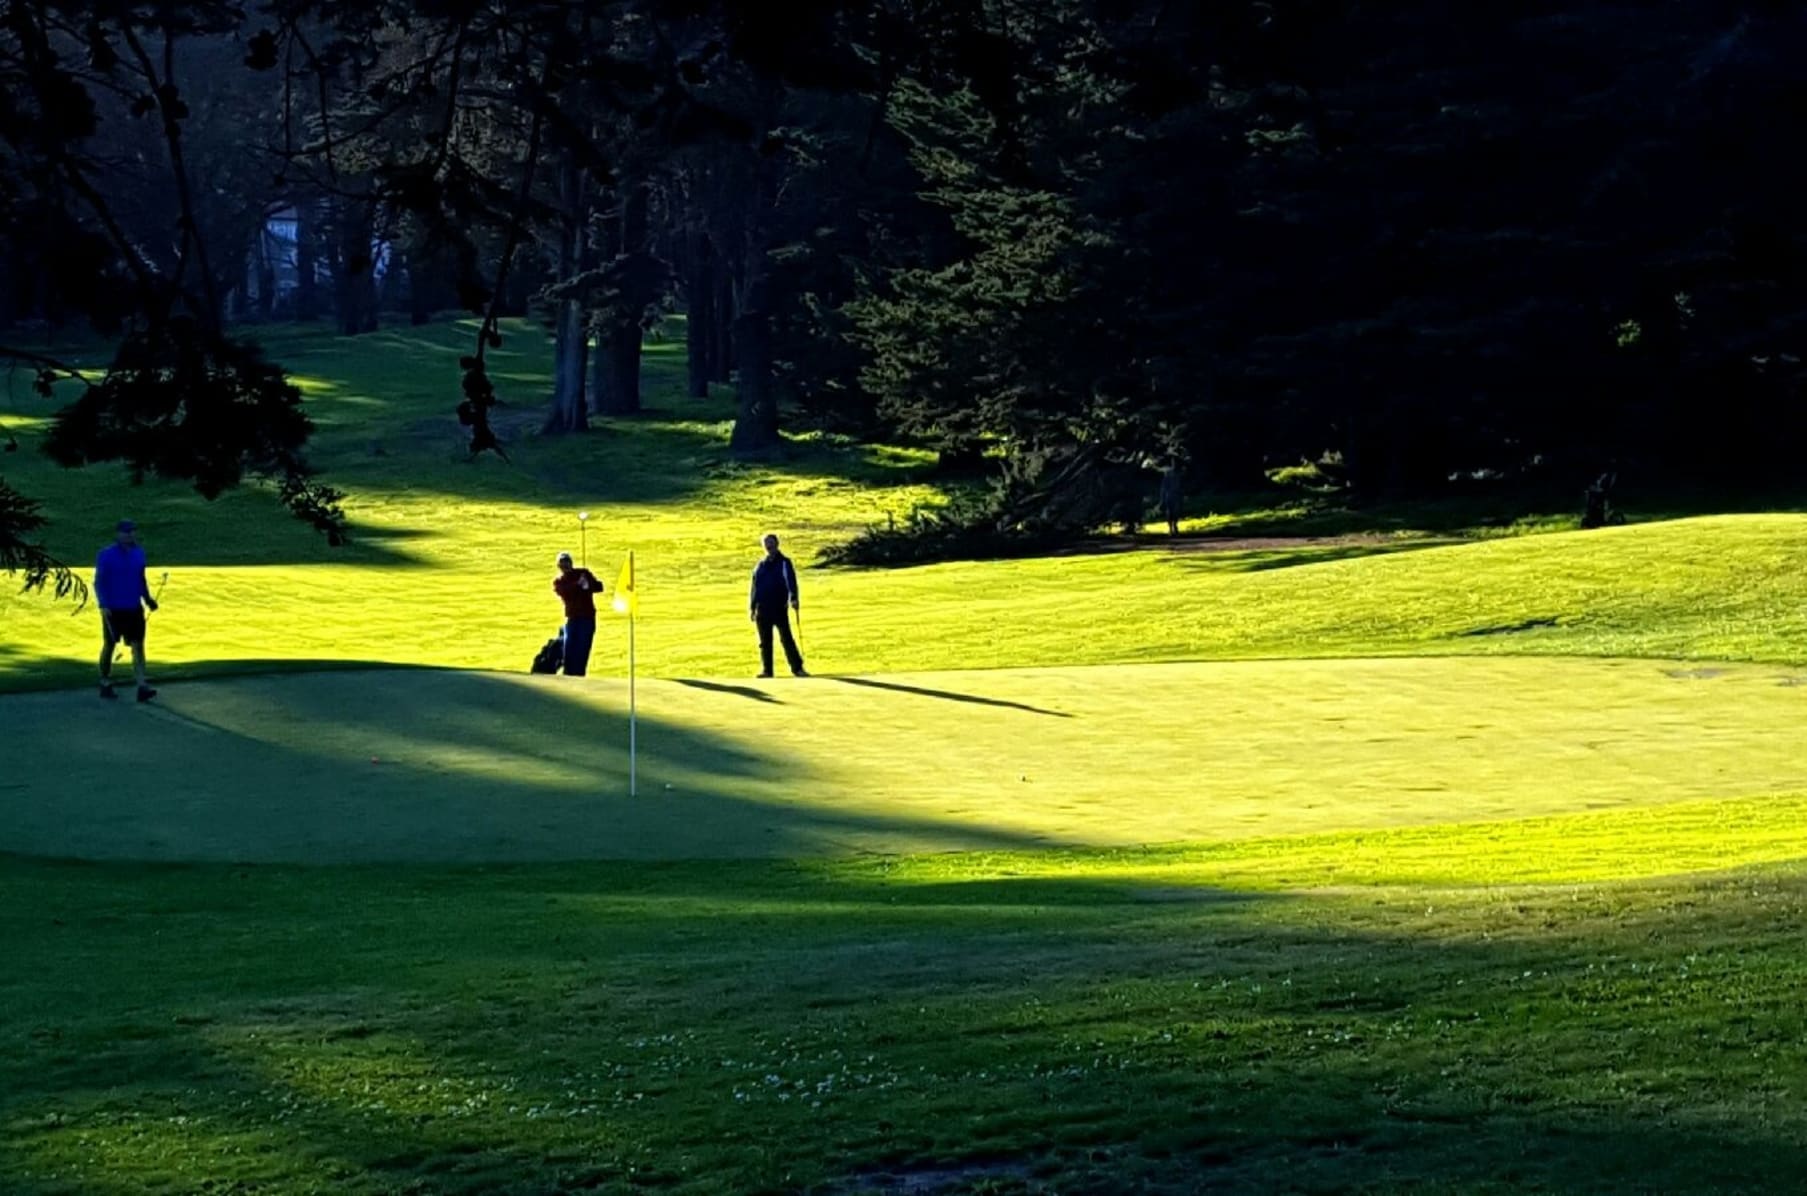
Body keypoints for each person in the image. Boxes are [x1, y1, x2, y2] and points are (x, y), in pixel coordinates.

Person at [94, 519, 158, 702]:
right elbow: (99, 582)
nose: (129, 535)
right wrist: (103, 604)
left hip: (134, 607)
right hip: (113, 609)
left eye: (132, 531)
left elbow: (141, 579)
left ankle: (142, 685)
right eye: (126, 532)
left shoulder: (139, 554)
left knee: (138, 645)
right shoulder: (106, 555)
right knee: (110, 645)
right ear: (118, 534)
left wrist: (147, 599)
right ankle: (105, 681)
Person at [749, 533, 807, 678]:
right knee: (764, 642)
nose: (768, 546)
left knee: (786, 639)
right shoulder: (760, 565)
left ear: (777, 544)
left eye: (771, 543)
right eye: (766, 543)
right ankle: (767, 670)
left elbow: (791, 581)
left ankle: (797, 668)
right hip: (762, 608)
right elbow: (755, 588)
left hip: (779, 607)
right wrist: (752, 607)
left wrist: (793, 598)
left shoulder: (784, 562)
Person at [551, 551, 603, 676]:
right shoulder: (559, 582)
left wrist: (588, 585)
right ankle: (568, 675)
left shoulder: (583, 573)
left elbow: (599, 587)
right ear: (559, 567)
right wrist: (579, 584)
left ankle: (579, 676)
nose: (565, 566)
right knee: (569, 649)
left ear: (571, 563)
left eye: (567, 562)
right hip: (572, 619)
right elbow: (565, 592)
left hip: (587, 618)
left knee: (582, 649)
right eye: (562, 564)